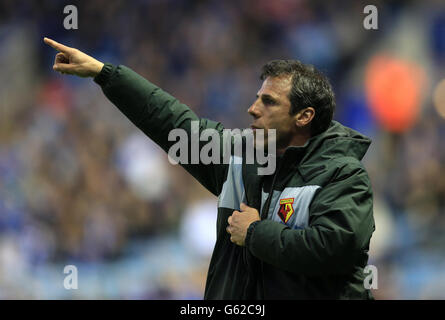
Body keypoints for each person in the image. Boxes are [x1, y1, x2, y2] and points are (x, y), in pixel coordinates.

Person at [44, 37, 375, 299]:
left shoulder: (343, 175)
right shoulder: (241, 159)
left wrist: (256, 233)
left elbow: (334, 249)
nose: (252, 109)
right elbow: (174, 121)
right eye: (257, 98)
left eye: (269, 102)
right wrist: (105, 74)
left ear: (304, 116)